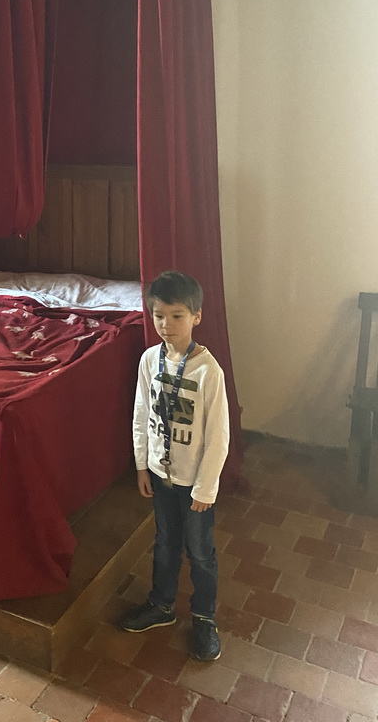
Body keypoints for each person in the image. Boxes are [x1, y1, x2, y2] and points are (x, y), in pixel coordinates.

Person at [118, 270, 229, 662]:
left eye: (177, 315)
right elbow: (141, 411)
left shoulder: (207, 372)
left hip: (194, 483)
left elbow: (218, 436)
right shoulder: (150, 360)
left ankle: (203, 617)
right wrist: (141, 464)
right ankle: (162, 605)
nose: (167, 325)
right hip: (161, 476)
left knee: (199, 552)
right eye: (159, 315)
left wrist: (206, 488)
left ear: (197, 316)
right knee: (165, 544)